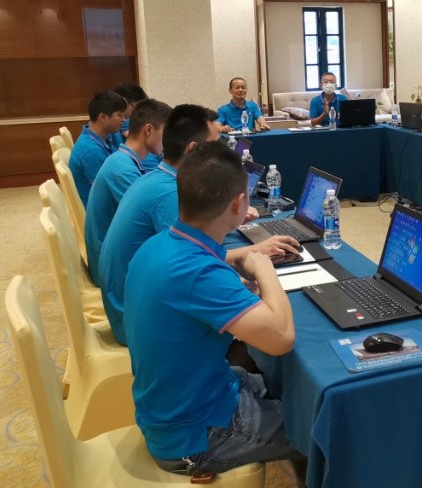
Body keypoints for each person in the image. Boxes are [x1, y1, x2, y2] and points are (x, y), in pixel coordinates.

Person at [124, 141, 305, 478]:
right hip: (195, 437)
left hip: (180, 403)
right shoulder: (198, 274)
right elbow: (281, 338)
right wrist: (264, 267)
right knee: (322, 428)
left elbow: (210, 269)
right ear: (238, 204)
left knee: (295, 390)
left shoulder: (159, 244)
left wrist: (246, 261)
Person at [99, 104, 299, 346]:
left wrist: (245, 253)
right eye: (215, 146)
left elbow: (194, 251)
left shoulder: (160, 226)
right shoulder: (170, 201)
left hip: (139, 318)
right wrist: (263, 267)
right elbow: (282, 338)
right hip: (130, 321)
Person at [84, 99, 172, 287]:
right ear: (148, 130)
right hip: (112, 272)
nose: (169, 140)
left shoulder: (122, 159)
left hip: (110, 259)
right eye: (166, 133)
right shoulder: (123, 171)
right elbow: (154, 223)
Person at [68, 91, 126, 207]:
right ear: (102, 117)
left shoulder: (102, 138)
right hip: (99, 210)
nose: (124, 119)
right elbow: (106, 191)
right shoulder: (91, 150)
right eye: (120, 115)